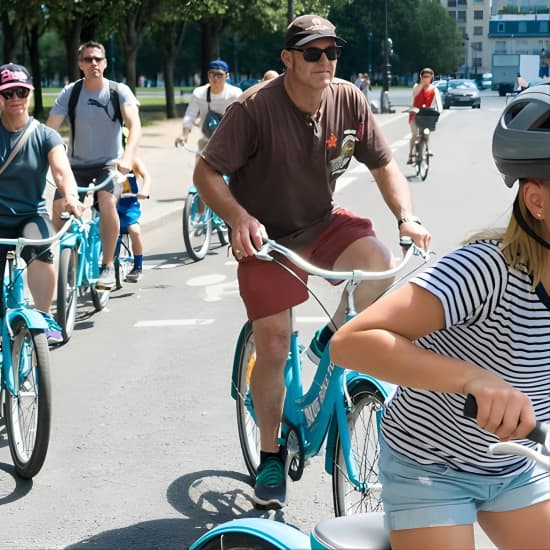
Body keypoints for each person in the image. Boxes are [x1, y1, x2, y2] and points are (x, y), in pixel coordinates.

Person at [193, 14, 431, 509]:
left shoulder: (348, 98)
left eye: (331, 52)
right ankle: (271, 453)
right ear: (288, 59)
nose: (325, 62)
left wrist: (407, 216)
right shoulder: (253, 109)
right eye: (312, 53)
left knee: (377, 262)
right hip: (266, 237)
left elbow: (384, 164)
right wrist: (238, 218)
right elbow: (206, 172)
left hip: (320, 222)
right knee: (275, 345)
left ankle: (330, 338)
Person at [330, 84, 550, 550]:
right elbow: (350, 341)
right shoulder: (487, 269)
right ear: (538, 200)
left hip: (517, 466)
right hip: (431, 466)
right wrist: (474, 380)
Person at [46, 40, 142, 290]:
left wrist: (127, 157)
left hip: (111, 164)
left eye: (98, 59)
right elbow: (49, 131)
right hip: (75, 165)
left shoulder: (118, 91)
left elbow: (134, 125)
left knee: (106, 199)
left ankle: (108, 265)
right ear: (80, 64)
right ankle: (69, 257)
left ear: (106, 63)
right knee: (58, 206)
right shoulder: (70, 92)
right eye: (88, 59)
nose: (93, 64)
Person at [0, 63, 83, 344]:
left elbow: (62, 172)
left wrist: (70, 196)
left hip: (28, 216)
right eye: (8, 93)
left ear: (31, 93)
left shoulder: (45, 135)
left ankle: (43, 317)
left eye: (21, 91)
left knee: (40, 242)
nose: (15, 99)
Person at [174, 59, 242, 152]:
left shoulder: (235, 93)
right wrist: (184, 134)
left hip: (229, 142)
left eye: (219, 75)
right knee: (200, 164)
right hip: (207, 140)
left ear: (226, 76)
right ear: (208, 75)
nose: (215, 78)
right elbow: (190, 115)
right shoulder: (199, 93)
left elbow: (242, 117)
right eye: (212, 74)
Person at [117, 155, 151, 282]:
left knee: (135, 231)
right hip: (110, 206)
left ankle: (137, 267)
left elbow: (146, 176)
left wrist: (145, 190)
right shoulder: (105, 159)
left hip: (129, 207)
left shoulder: (133, 162)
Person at [407, 67, 442, 164]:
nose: (426, 78)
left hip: (426, 114)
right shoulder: (417, 86)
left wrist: (439, 110)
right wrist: (422, 85)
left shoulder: (434, 89)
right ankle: (410, 154)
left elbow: (438, 101)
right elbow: (414, 94)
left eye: (429, 76)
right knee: (415, 133)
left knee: (426, 132)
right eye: (424, 76)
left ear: (432, 77)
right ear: (421, 77)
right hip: (415, 113)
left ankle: (427, 148)